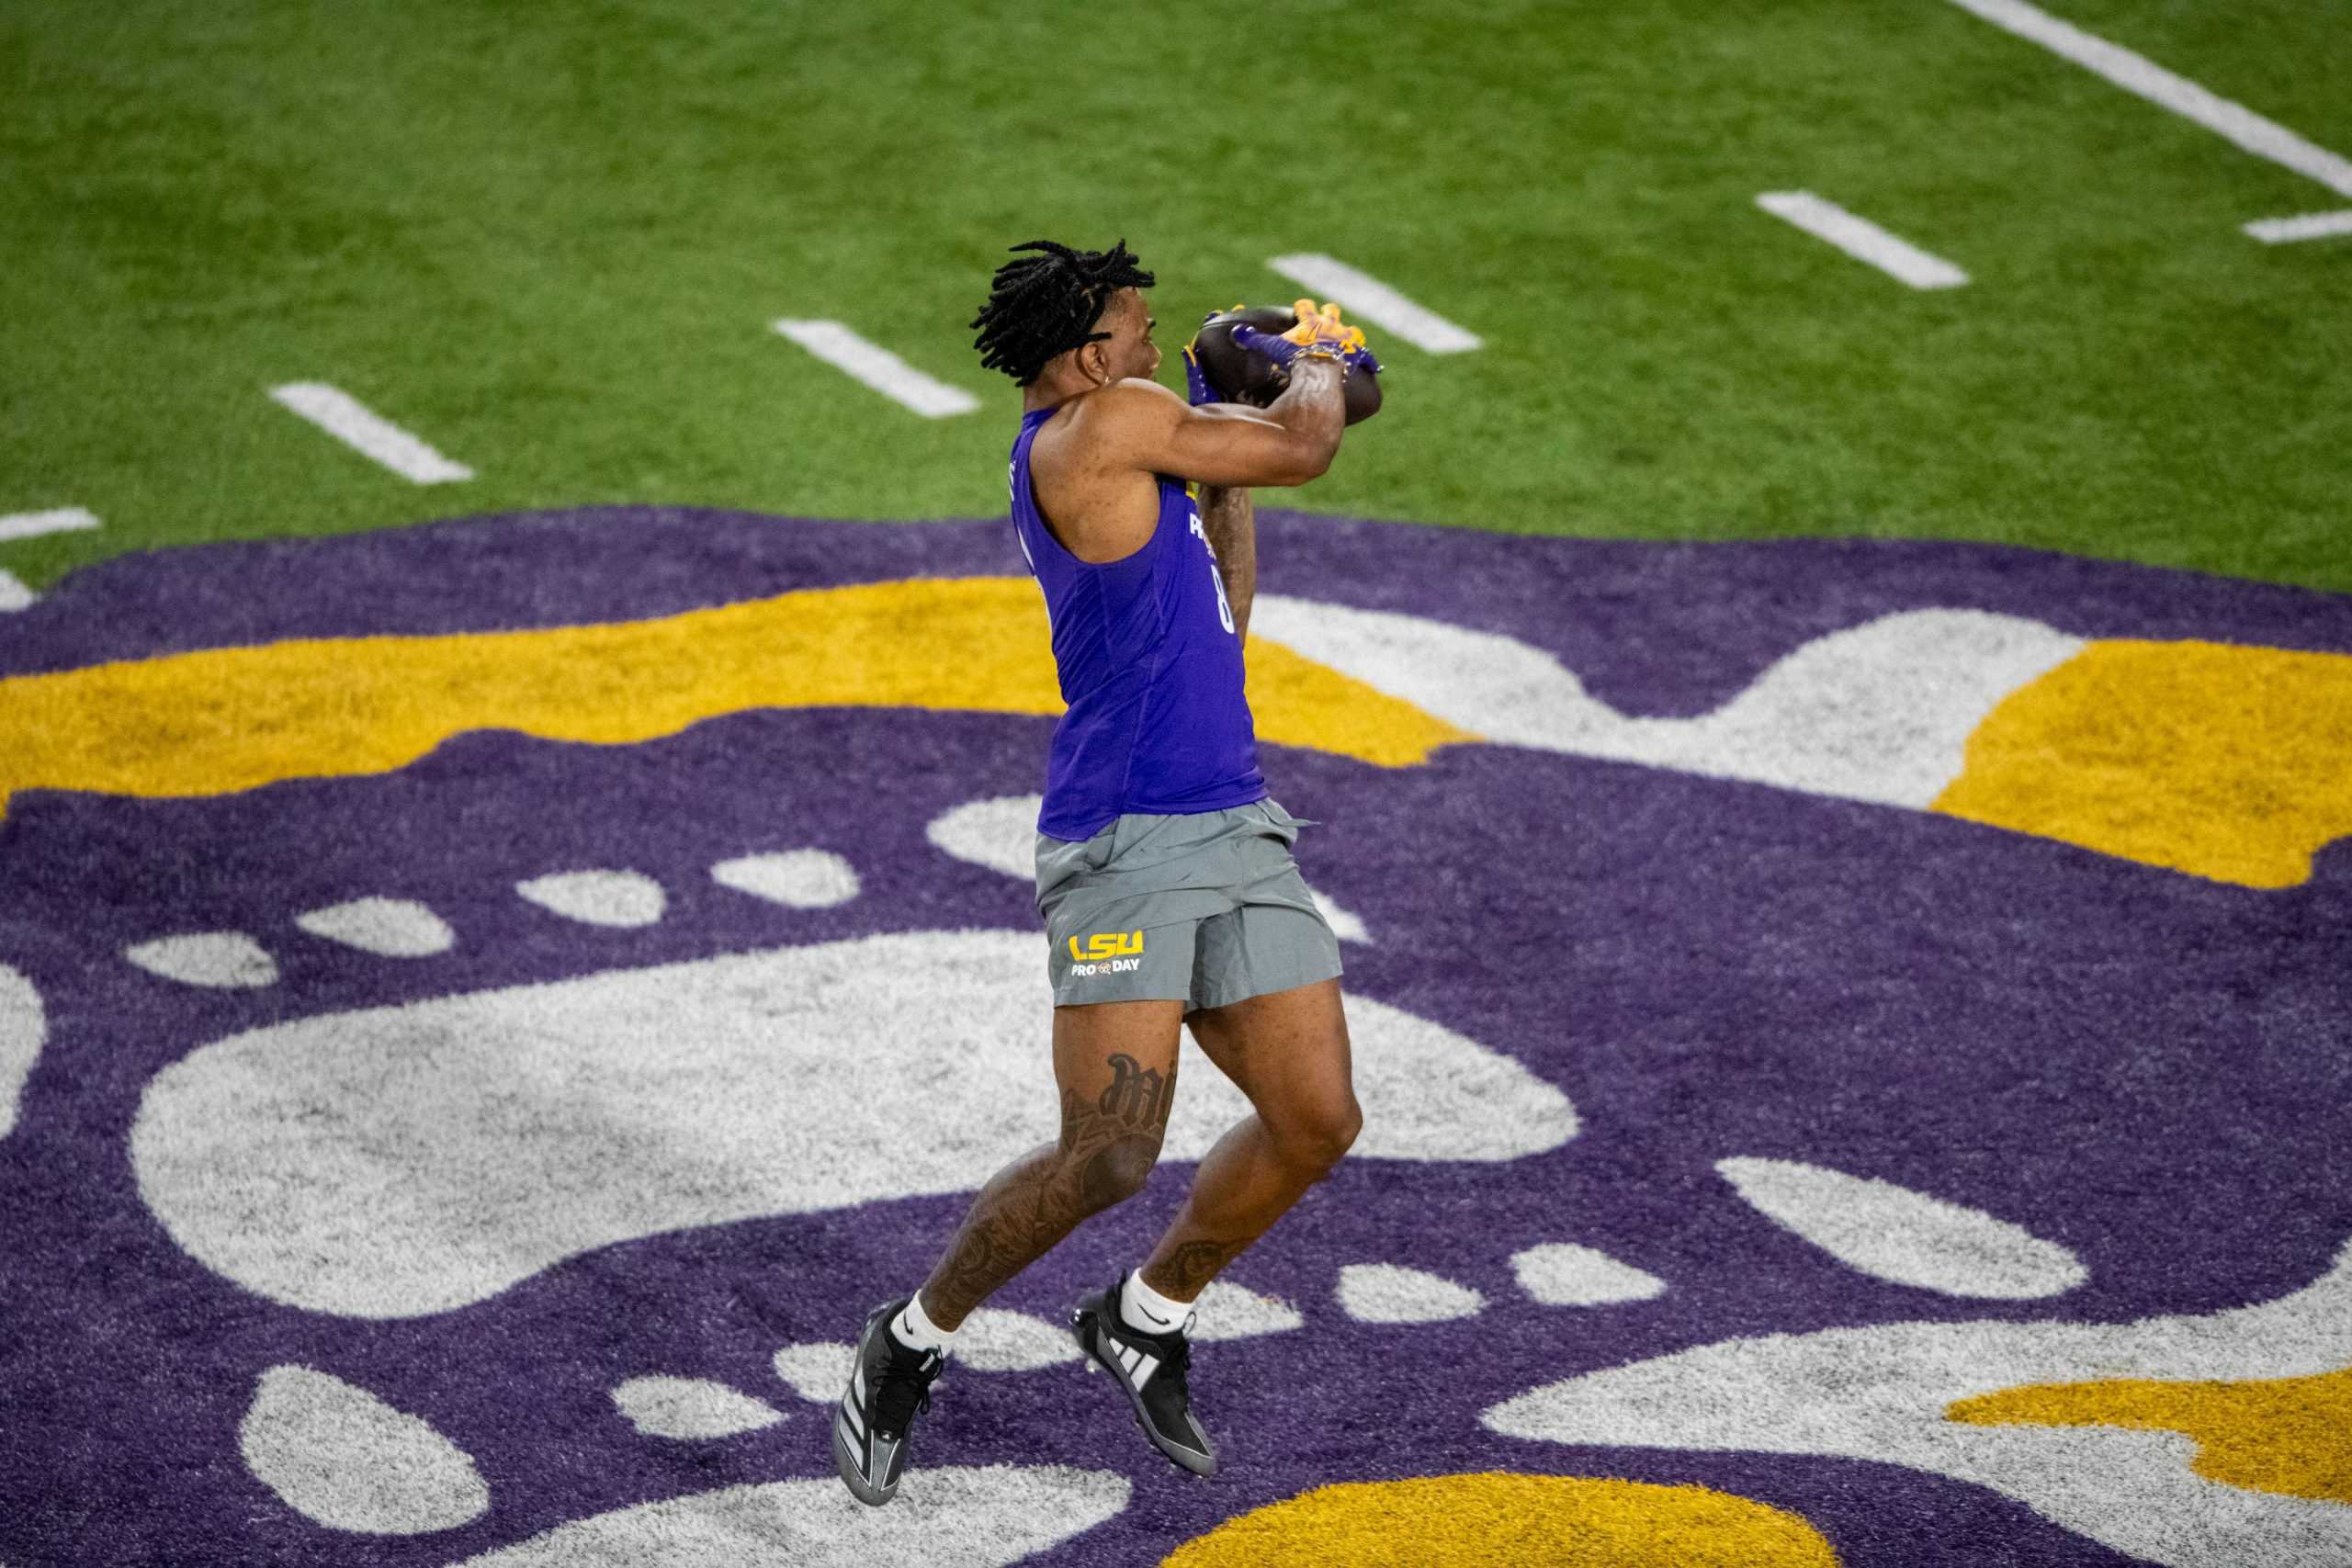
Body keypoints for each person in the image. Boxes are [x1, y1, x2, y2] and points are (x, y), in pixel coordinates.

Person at [834, 240, 1378, 1506]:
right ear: (1088, 358)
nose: (1155, 345)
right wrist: (1311, 361)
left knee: (1316, 1120)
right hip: (1126, 840)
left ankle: (1143, 1315)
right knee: (1111, 1156)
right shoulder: (1102, 426)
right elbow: (1308, 444)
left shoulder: (1135, 444)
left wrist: (1226, 456)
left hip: (1235, 824)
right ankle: (909, 1340)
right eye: (1138, 331)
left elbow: (1228, 620)